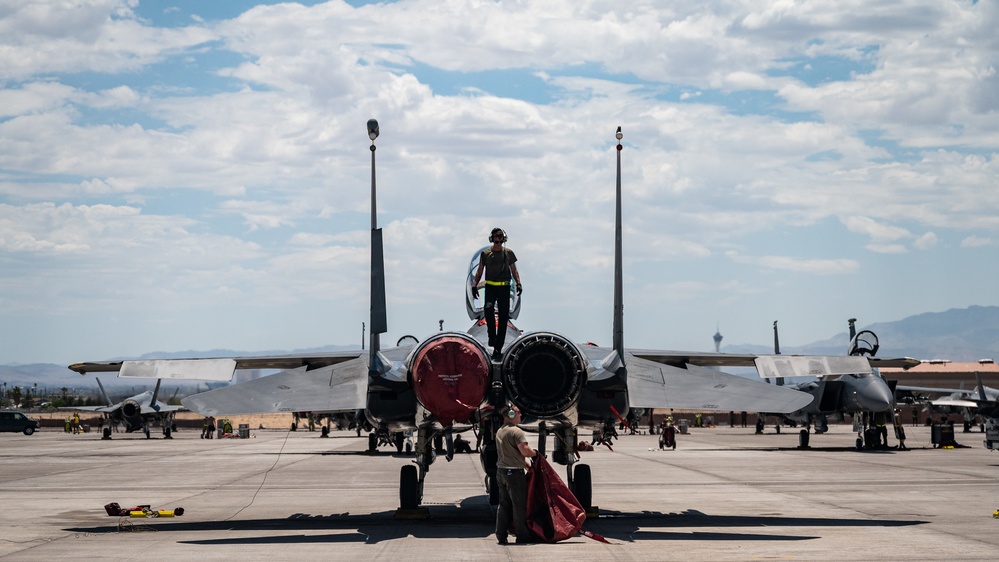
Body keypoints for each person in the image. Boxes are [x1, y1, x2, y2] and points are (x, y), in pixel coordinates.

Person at [471, 227, 522, 360]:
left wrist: (518, 283)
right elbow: (479, 270)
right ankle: (491, 337)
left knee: (504, 318)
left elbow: (514, 270)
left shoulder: (509, 253)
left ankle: (498, 348)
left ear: (503, 240)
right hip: (490, 288)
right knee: (488, 310)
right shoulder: (486, 254)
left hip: (504, 289)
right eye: (496, 241)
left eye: (500, 241)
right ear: (492, 240)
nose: (498, 244)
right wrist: (474, 285)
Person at [494, 404, 537, 545]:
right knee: (518, 506)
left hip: (501, 472)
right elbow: (525, 451)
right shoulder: (516, 432)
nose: (521, 415)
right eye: (518, 413)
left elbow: (512, 453)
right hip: (514, 474)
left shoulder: (500, 431)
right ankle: (522, 536)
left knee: (504, 504)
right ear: (511, 415)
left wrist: (527, 465)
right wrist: (536, 454)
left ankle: (500, 534)